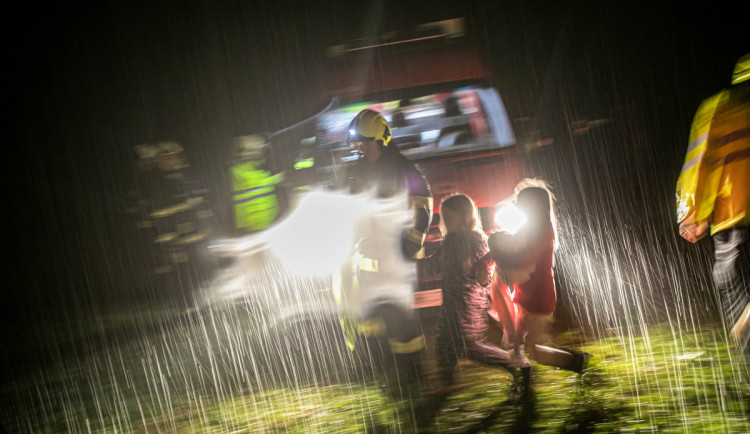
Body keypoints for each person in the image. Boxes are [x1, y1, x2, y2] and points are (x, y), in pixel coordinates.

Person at [339, 109, 433, 398]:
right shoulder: (361, 170)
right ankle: (383, 374)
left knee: (401, 323)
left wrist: (411, 244)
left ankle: (414, 376)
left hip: (395, 260)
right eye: (357, 144)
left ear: (381, 140)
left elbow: (424, 208)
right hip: (368, 259)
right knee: (369, 320)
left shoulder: (404, 170)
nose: (360, 148)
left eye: (364, 143)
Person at [676, 53, 750, 352]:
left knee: (736, 291)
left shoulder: (719, 107)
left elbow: (700, 163)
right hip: (734, 221)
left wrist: (692, 214)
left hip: (735, 220)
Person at [487, 179, 587, 379]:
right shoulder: (531, 229)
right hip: (527, 294)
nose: (516, 207)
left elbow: (524, 257)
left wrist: (499, 249)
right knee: (516, 342)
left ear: (533, 207)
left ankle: (577, 361)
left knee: (537, 350)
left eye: (520, 203)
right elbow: (516, 248)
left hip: (538, 296)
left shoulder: (542, 231)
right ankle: (523, 381)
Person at [430, 193, 519, 394]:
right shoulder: (476, 238)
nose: (444, 221)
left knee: (468, 347)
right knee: (445, 341)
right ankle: (446, 382)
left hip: (462, 304)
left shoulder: (457, 242)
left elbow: (436, 264)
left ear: (461, 217)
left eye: (447, 217)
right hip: (463, 301)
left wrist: (414, 262)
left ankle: (512, 363)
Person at [230, 134, 284, 233]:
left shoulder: (257, 168)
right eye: (253, 149)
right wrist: (279, 178)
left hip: (268, 223)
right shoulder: (239, 171)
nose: (259, 151)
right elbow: (256, 184)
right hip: (255, 225)